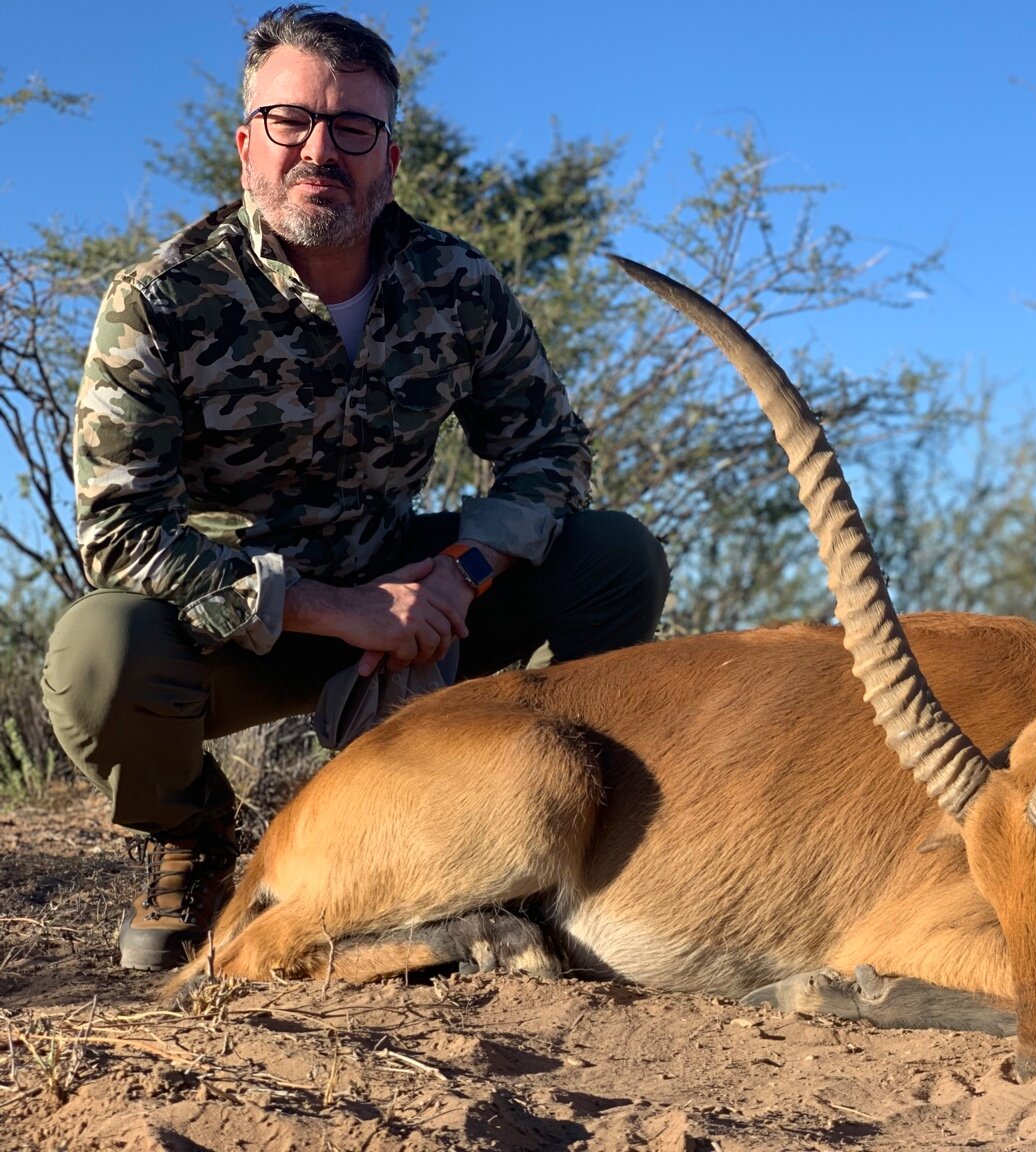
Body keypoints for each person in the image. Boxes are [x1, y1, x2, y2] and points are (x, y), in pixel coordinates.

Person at [41, 5, 669, 972]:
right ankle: (196, 838)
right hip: (243, 623)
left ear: (391, 155)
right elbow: (120, 529)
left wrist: (459, 571)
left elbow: (550, 453)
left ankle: (600, 823)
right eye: (290, 121)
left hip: (419, 599)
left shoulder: (457, 283)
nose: (319, 149)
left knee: (614, 556)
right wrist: (340, 612)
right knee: (99, 653)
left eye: (353, 129)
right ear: (248, 143)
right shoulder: (160, 299)